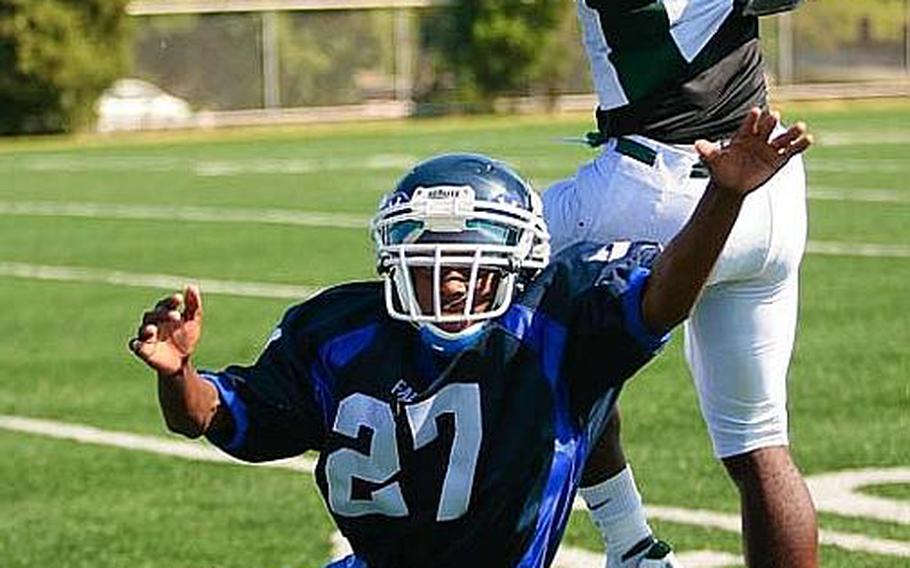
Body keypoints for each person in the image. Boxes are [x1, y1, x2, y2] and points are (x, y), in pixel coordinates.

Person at [129, 109, 809, 568]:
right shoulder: (338, 334)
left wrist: (724, 198)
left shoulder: (553, 324)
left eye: (469, 271)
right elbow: (216, 418)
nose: (450, 287)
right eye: (431, 270)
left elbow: (663, 297)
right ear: (393, 264)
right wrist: (176, 372)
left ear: (517, 267)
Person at [542, 2, 817, 567]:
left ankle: (629, 542)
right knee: (759, 438)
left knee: (500, 266)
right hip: (766, 183)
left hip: (656, 188)